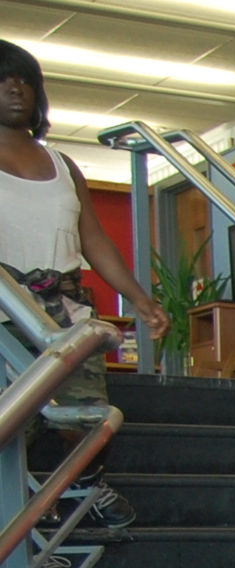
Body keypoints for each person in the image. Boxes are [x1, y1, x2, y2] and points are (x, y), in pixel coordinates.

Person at [1, 41, 166, 539]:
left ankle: (83, 488)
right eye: (4, 79)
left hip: (66, 310)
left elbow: (93, 239)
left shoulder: (62, 165)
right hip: (7, 308)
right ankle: (30, 524)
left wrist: (139, 299)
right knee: (17, 422)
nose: (16, 88)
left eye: (26, 80)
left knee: (84, 414)